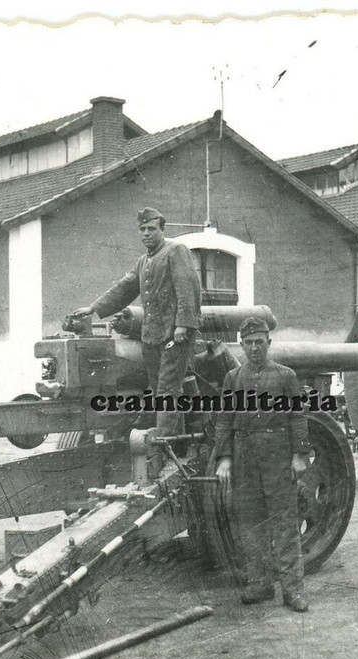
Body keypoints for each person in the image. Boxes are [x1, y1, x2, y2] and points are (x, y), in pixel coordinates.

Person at [69, 207, 202, 439]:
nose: (146, 234)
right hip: (151, 337)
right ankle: (176, 442)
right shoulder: (144, 261)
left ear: (162, 229)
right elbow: (124, 288)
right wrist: (94, 308)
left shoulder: (176, 251)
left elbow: (187, 289)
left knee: (168, 390)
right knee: (161, 392)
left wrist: (184, 325)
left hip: (174, 336)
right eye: (142, 229)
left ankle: (163, 444)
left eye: (151, 229)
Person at [214, 317, 312, 612]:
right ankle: (260, 585)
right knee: (249, 524)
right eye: (249, 343)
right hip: (245, 456)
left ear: (269, 344)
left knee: (284, 523)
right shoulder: (233, 378)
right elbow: (225, 419)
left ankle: (294, 591)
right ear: (241, 345)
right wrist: (225, 458)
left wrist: (299, 455)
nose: (254, 348)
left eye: (259, 342)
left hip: (278, 455)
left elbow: (298, 417)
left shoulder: (286, 376)